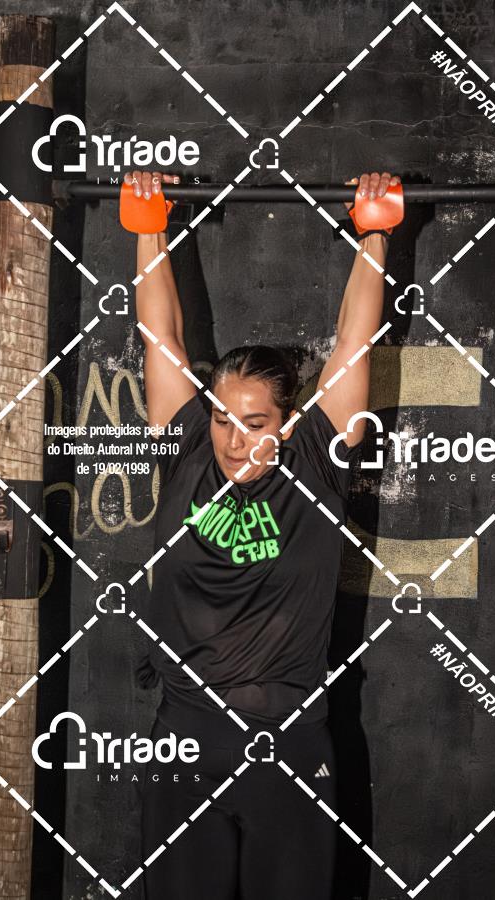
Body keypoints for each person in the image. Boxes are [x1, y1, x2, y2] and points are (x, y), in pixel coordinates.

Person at [126, 168, 401, 900]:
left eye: (254, 424)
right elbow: (161, 336)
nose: (234, 438)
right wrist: (148, 225)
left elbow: (354, 343)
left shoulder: (315, 460)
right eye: (223, 418)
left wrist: (374, 233)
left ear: (288, 421)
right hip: (186, 744)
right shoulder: (187, 447)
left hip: (290, 748)